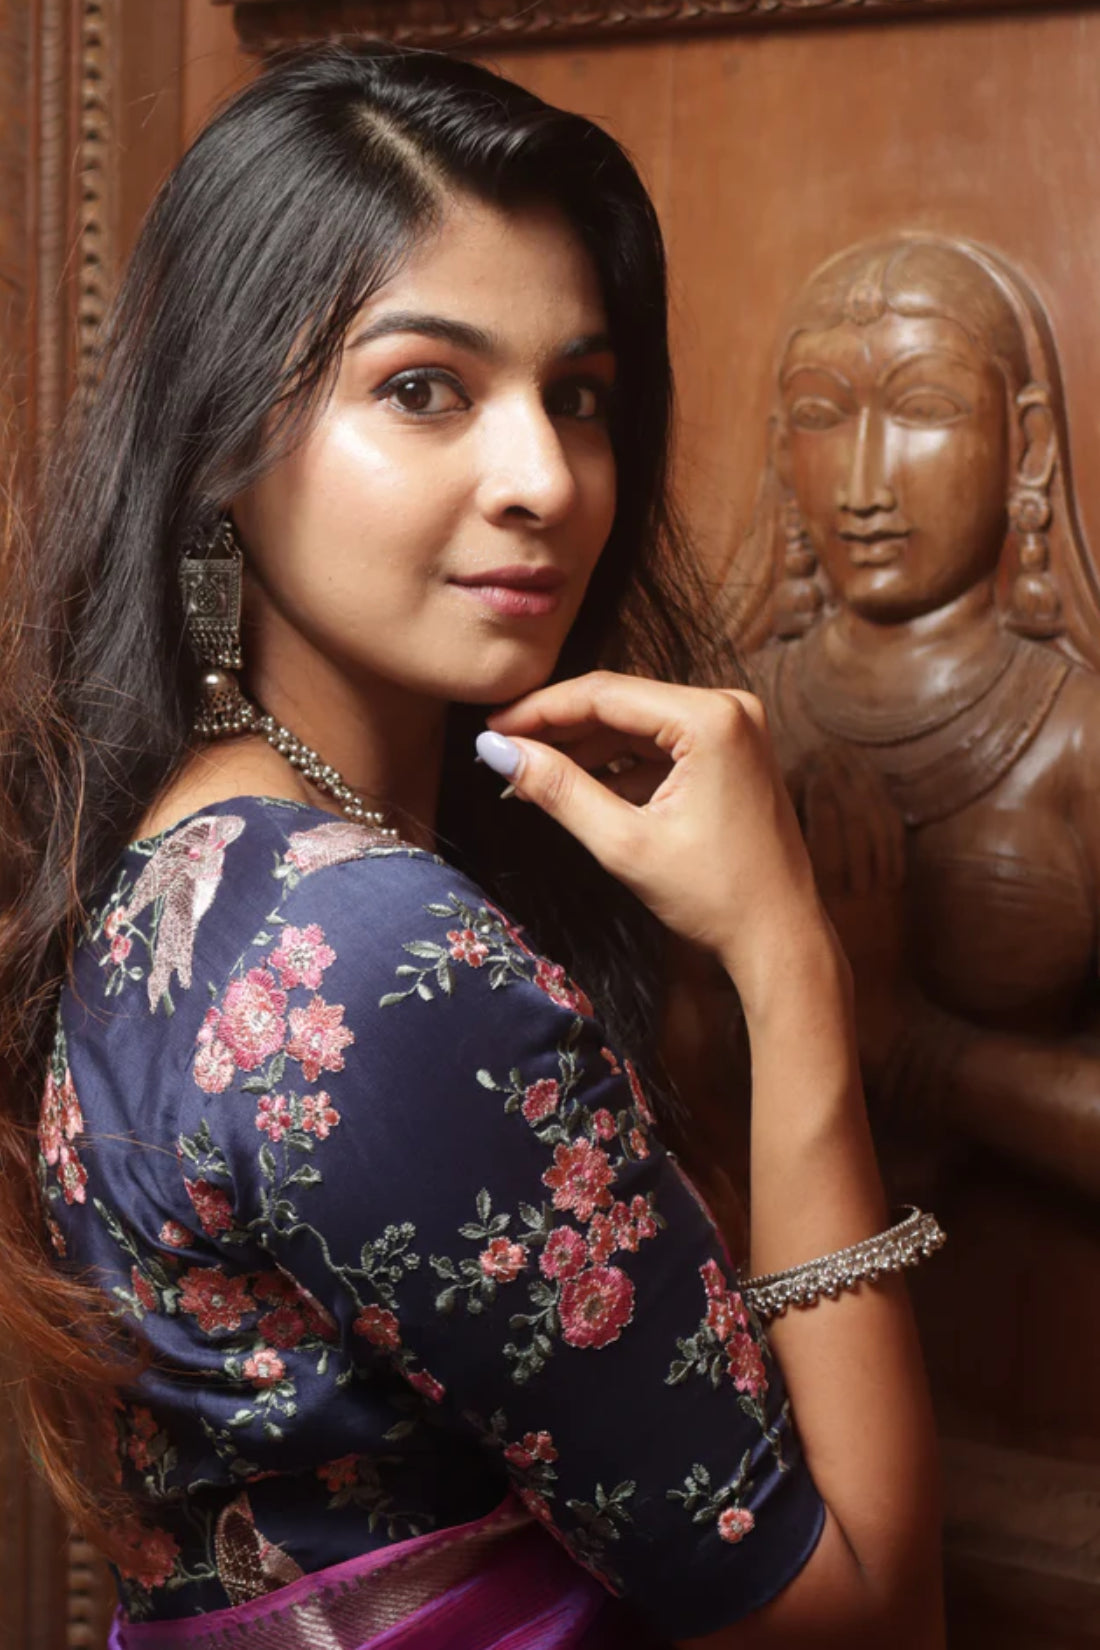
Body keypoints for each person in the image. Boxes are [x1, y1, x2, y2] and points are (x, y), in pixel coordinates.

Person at [0, 45, 944, 1649]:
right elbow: (865, 1611)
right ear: (226, 436)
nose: (547, 479)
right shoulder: (372, 963)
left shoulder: (177, 850)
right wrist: (788, 953)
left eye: (578, 395)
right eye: (423, 388)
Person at [742, 235, 1100, 1201]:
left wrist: (903, 1038)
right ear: (780, 448)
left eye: (925, 408)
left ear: (1028, 443)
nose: (866, 484)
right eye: (821, 415)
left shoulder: (1077, 739)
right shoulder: (731, 714)